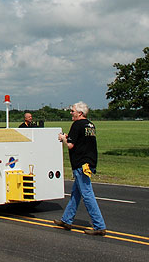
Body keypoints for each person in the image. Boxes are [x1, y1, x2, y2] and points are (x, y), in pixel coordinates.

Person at [53, 101, 107, 236]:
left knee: (87, 194)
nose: (71, 113)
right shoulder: (90, 125)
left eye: (73, 111)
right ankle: (66, 220)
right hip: (89, 162)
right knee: (75, 194)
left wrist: (62, 138)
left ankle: (99, 225)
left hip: (80, 164)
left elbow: (70, 145)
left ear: (80, 113)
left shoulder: (77, 125)